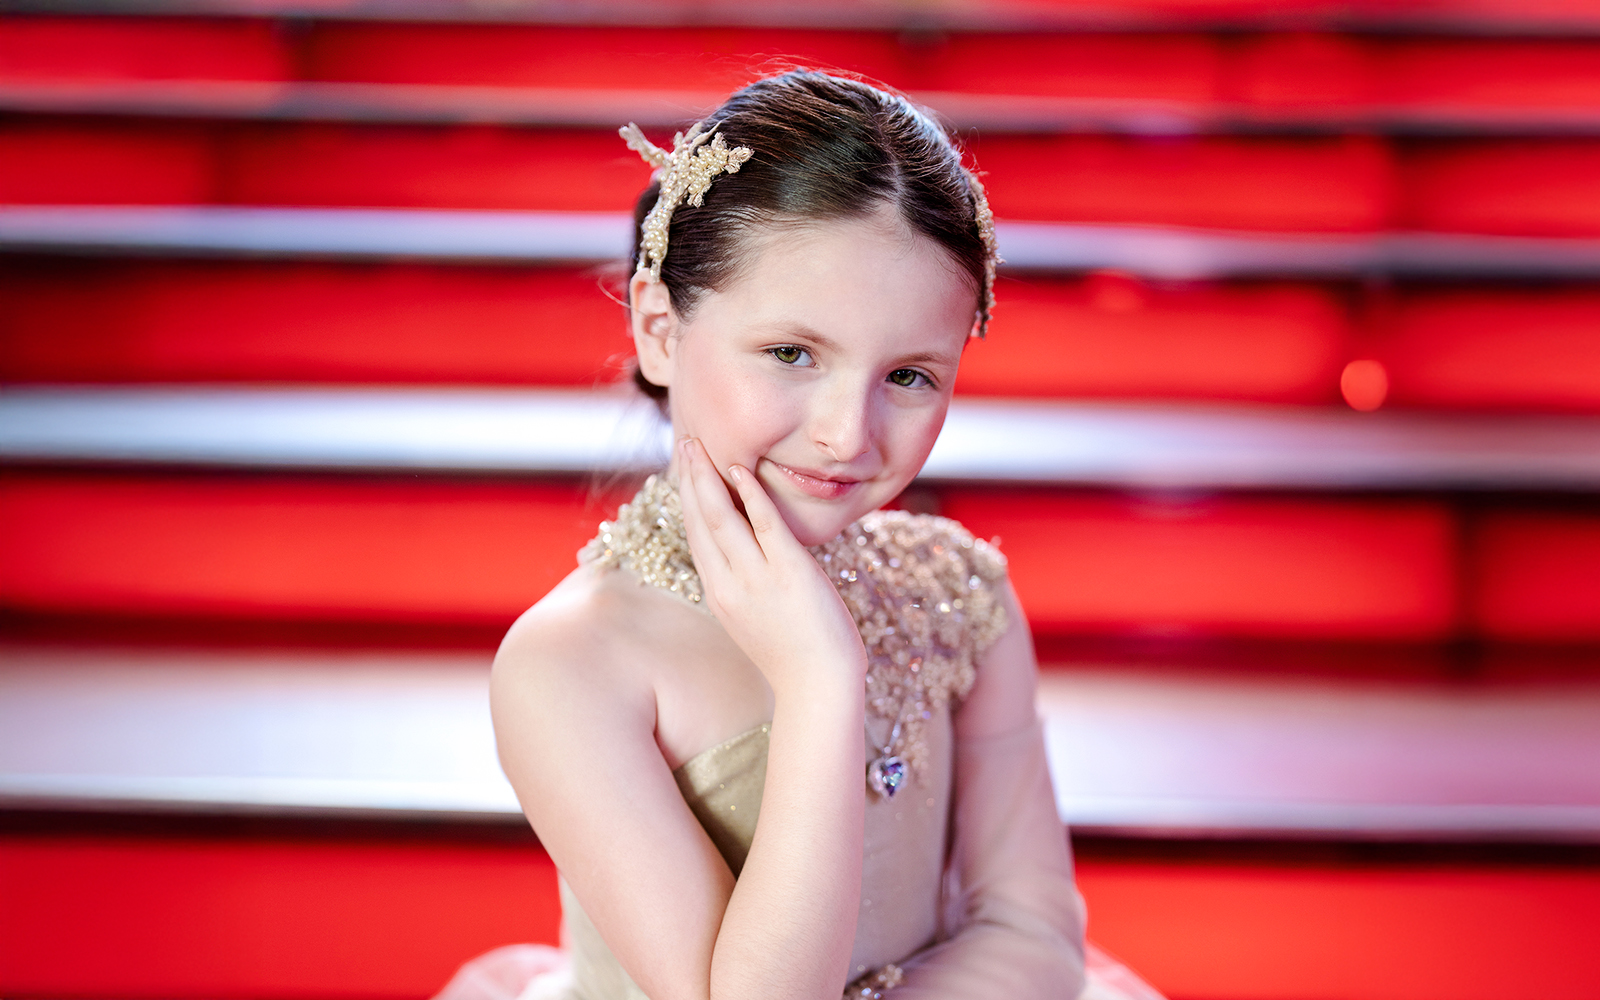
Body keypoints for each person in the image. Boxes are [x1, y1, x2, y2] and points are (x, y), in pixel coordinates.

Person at [436, 70, 1166, 1000]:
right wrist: (822, 676)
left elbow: (1036, 931)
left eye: (909, 375)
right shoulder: (575, 661)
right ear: (660, 329)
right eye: (792, 353)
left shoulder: (960, 592)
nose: (846, 433)